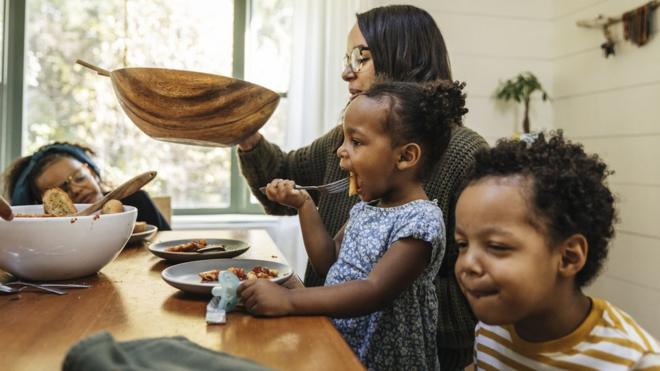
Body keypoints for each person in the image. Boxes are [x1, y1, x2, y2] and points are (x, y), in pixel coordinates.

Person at [237, 5, 487, 367]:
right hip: (332, 336)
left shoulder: (466, 155)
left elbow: (475, 284)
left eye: (361, 57)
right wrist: (246, 135)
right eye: (346, 57)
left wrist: (339, 300)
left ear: (405, 59)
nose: (346, 71)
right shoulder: (349, 140)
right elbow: (285, 181)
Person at [454, 131, 660, 369]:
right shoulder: (491, 330)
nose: (467, 263)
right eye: (462, 244)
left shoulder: (635, 362)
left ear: (568, 256)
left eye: (497, 247)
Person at [3, 142, 171, 230]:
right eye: (62, 191)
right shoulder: (48, 232)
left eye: (79, 177)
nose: (76, 189)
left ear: (91, 172)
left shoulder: (135, 201)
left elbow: (169, 247)